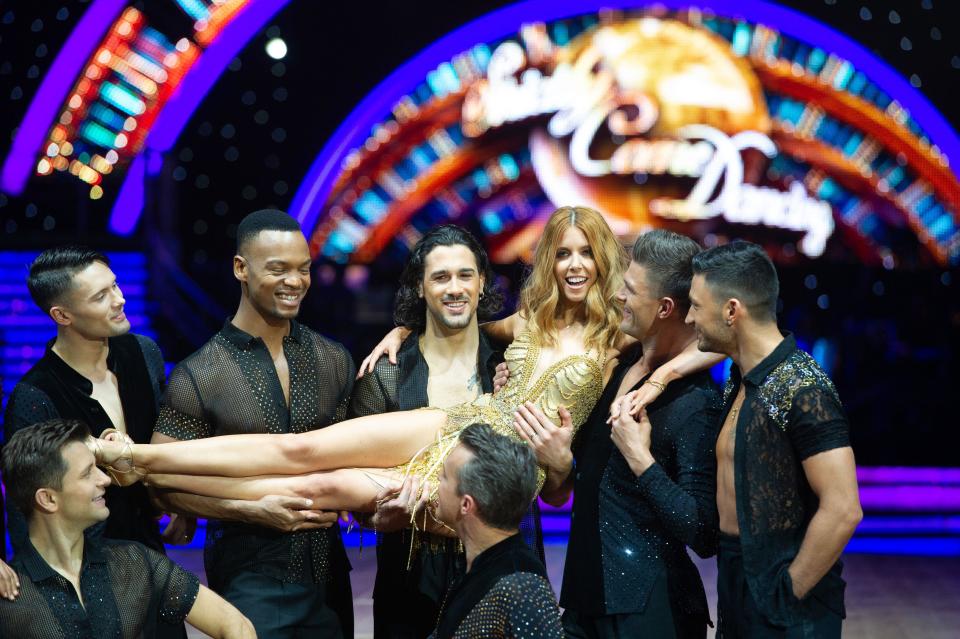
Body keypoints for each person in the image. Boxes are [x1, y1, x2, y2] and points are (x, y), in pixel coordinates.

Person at [91, 206, 628, 518]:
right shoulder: (528, 321)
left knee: (323, 488)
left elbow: (700, 341)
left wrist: (662, 379)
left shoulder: (616, 339)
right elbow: (462, 319)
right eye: (562, 253)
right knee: (303, 452)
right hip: (469, 422)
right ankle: (141, 460)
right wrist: (403, 328)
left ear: (603, 259)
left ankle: (144, 469)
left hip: (498, 475)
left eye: (585, 253)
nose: (574, 265)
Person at [148, 209, 357, 638]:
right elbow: (160, 483)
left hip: (330, 575)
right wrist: (244, 509)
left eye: (304, 269)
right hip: (250, 577)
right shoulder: (200, 374)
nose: (295, 282)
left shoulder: (333, 358)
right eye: (278, 269)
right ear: (240, 268)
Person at [512, 229, 720, 638]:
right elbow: (574, 492)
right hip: (583, 601)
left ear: (663, 307)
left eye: (629, 290)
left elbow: (704, 533)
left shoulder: (696, 403)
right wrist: (559, 464)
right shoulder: (619, 368)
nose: (618, 298)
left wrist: (642, 460)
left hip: (650, 612)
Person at [349, 225, 543, 639]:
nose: (455, 288)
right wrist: (382, 517)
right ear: (420, 288)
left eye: (465, 275)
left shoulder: (517, 367)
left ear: (482, 281)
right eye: (440, 277)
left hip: (505, 573)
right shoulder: (385, 376)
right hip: (409, 583)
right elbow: (357, 499)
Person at [1, 247, 189, 637]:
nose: (119, 299)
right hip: (89, 574)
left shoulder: (143, 353)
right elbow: (25, 507)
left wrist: (181, 505)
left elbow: (163, 444)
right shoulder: (35, 397)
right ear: (62, 316)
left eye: (115, 285)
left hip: (150, 553)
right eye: (100, 296)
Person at [686, 241, 862, 637]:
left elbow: (844, 508)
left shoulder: (802, 387)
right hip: (737, 590)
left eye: (696, 306)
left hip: (789, 613)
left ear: (731, 310)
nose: (688, 318)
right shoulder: (742, 378)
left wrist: (785, 594)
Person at [0, 419, 255, 639]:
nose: (106, 479)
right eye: (88, 473)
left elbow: (236, 625)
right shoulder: (10, 598)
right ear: (48, 499)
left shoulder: (134, 561)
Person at [430, 423, 563, 639]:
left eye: (444, 476)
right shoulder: (476, 563)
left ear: (466, 505)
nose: (436, 478)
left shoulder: (523, 586)